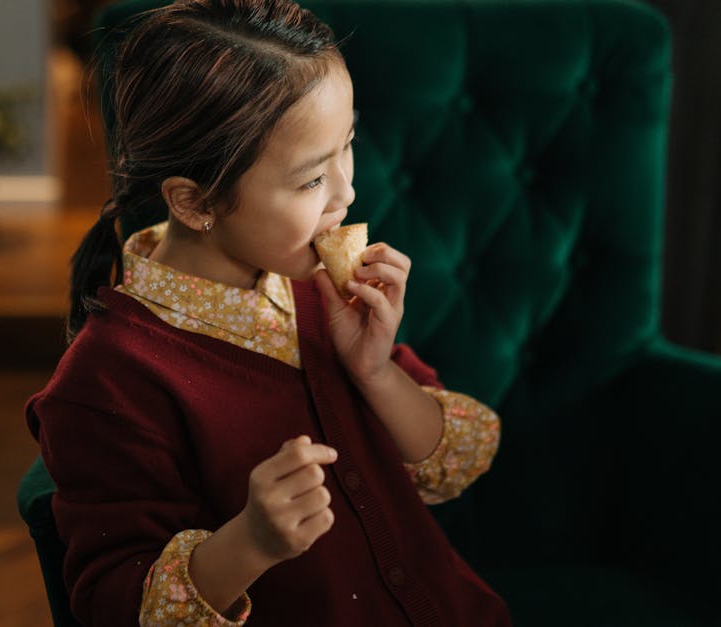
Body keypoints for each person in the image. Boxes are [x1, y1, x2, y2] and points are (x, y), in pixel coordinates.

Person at [26, 0, 512, 624]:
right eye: (312, 179)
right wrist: (248, 543)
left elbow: (459, 459)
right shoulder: (107, 382)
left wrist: (374, 372)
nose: (348, 192)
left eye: (349, 146)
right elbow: (109, 606)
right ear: (196, 202)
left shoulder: (314, 290)